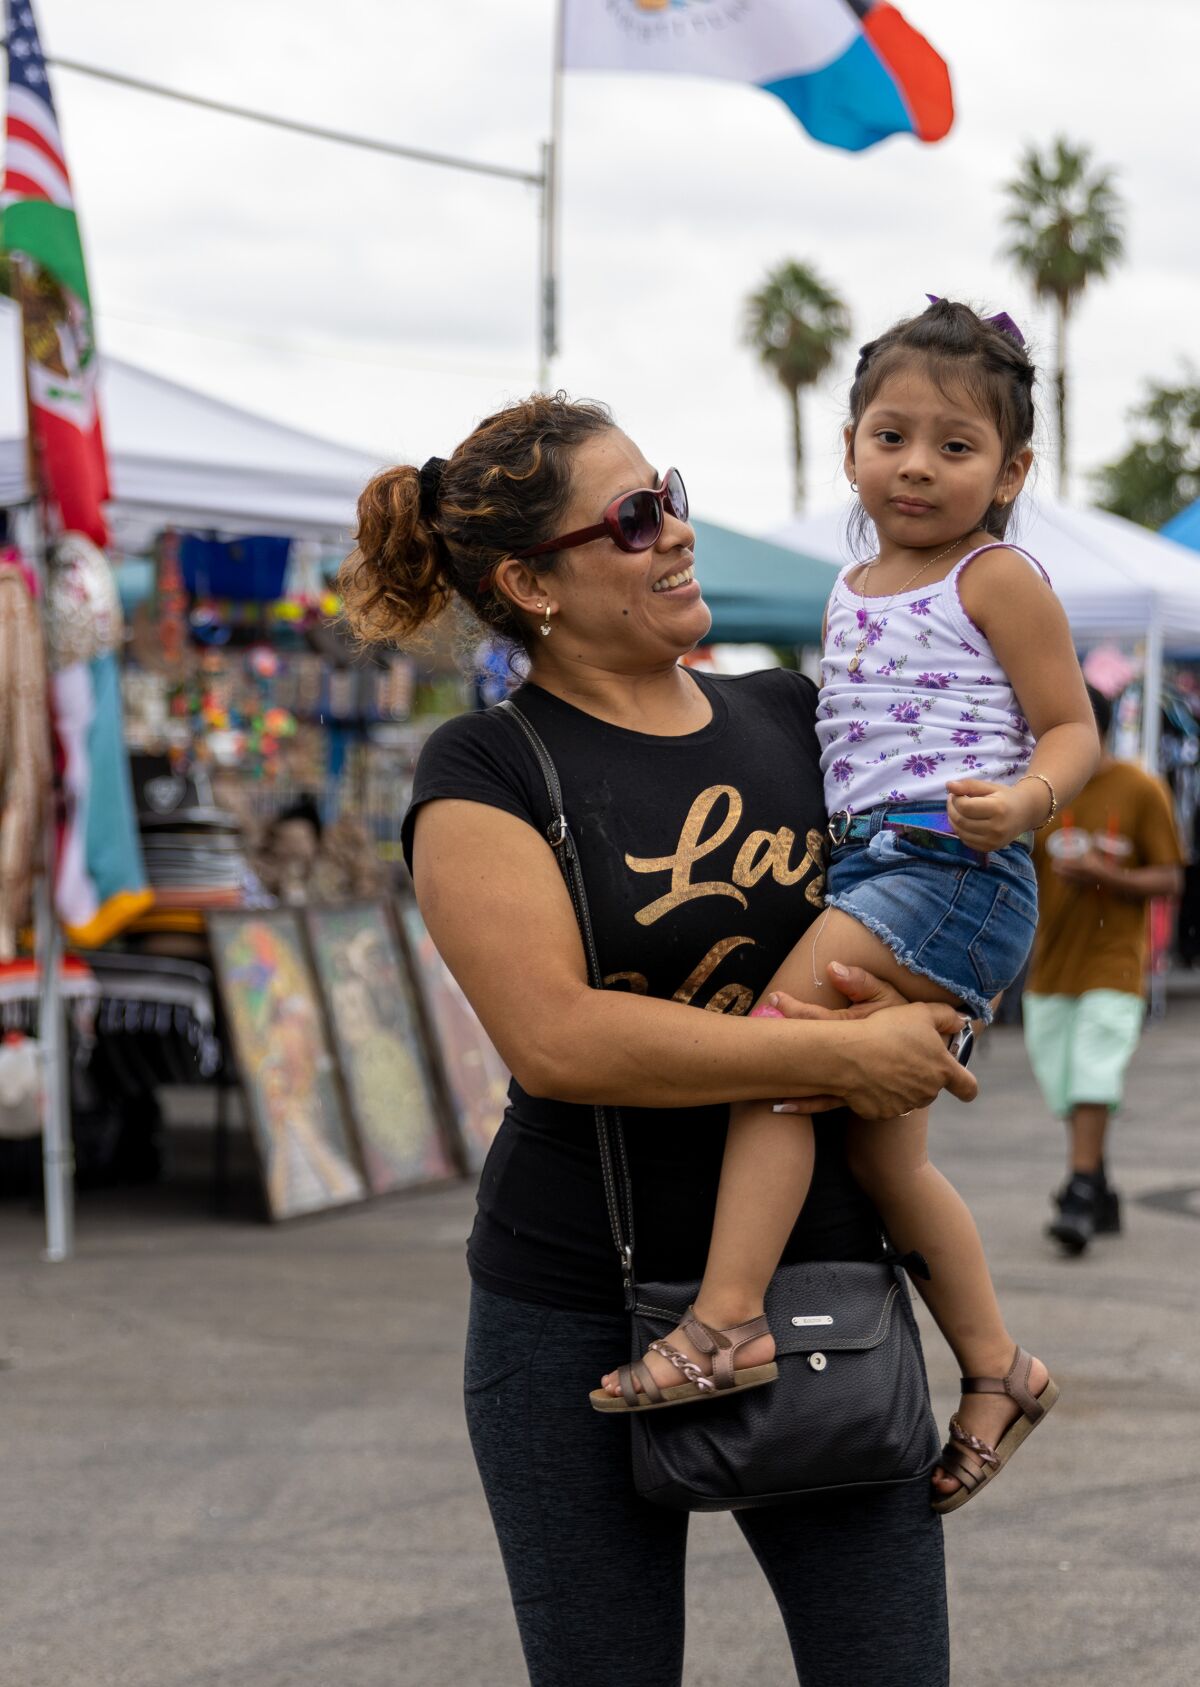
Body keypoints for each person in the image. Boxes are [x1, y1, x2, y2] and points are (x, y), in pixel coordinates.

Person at [341, 392, 976, 1687]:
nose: (677, 531)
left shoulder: (799, 711)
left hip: (823, 1288)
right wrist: (836, 1055)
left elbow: (936, 900)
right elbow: (559, 1035)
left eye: (668, 491)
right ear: (531, 581)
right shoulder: (484, 768)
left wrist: (939, 1013)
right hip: (572, 1302)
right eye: (635, 518)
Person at [599, 299, 1099, 1516]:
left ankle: (725, 1323)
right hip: (874, 871)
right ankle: (999, 1369)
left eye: (956, 445)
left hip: (953, 870)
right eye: (892, 434)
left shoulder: (1000, 576)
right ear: (850, 447)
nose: (918, 464)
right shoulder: (853, 583)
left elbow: (1074, 725)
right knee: (882, 1153)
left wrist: (1027, 799)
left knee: (782, 1054)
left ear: (1012, 470)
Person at [1024, 683, 1185, 1253]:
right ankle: (1101, 1182)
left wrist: (1105, 873)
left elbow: (1170, 877)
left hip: (1115, 962)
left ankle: (1080, 1193)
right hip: (1050, 964)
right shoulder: (1039, 792)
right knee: (1066, 1083)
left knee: (1093, 1072)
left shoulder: (1140, 789)